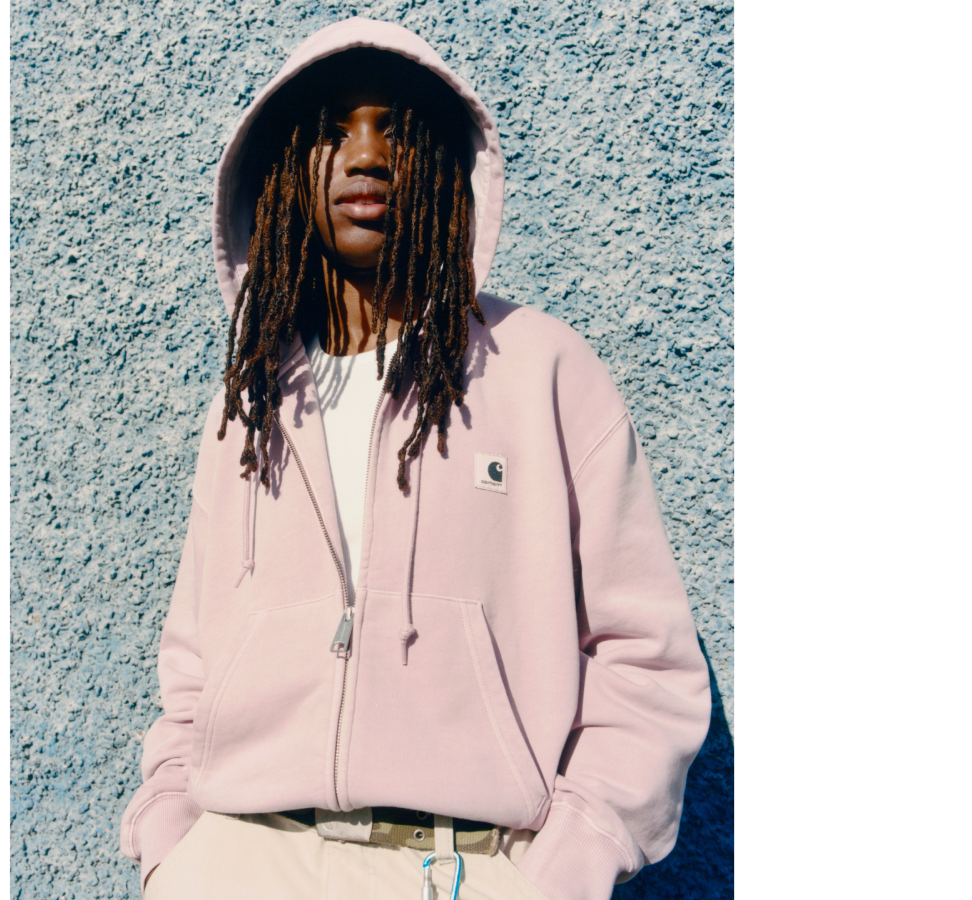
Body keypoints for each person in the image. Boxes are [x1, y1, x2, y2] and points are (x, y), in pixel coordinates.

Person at [119, 17, 711, 900]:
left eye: (395, 129)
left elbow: (646, 658)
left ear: (442, 163)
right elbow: (193, 662)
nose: (367, 156)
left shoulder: (543, 372)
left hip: (461, 869)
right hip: (241, 860)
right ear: (284, 171)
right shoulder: (249, 406)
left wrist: (565, 866)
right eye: (332, 130)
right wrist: (174, 848)